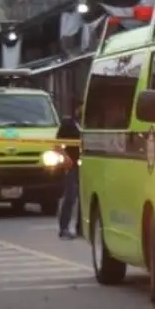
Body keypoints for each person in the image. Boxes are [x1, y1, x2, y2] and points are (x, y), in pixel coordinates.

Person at [55, 102, 82, 239]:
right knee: (70, 196)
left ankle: (80, 228)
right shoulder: (68, 124)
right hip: (72, 164)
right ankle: (63, 227)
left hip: (86, 164)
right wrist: (65, 157)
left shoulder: (88, 123)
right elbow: (57, 144)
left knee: (83, 197)